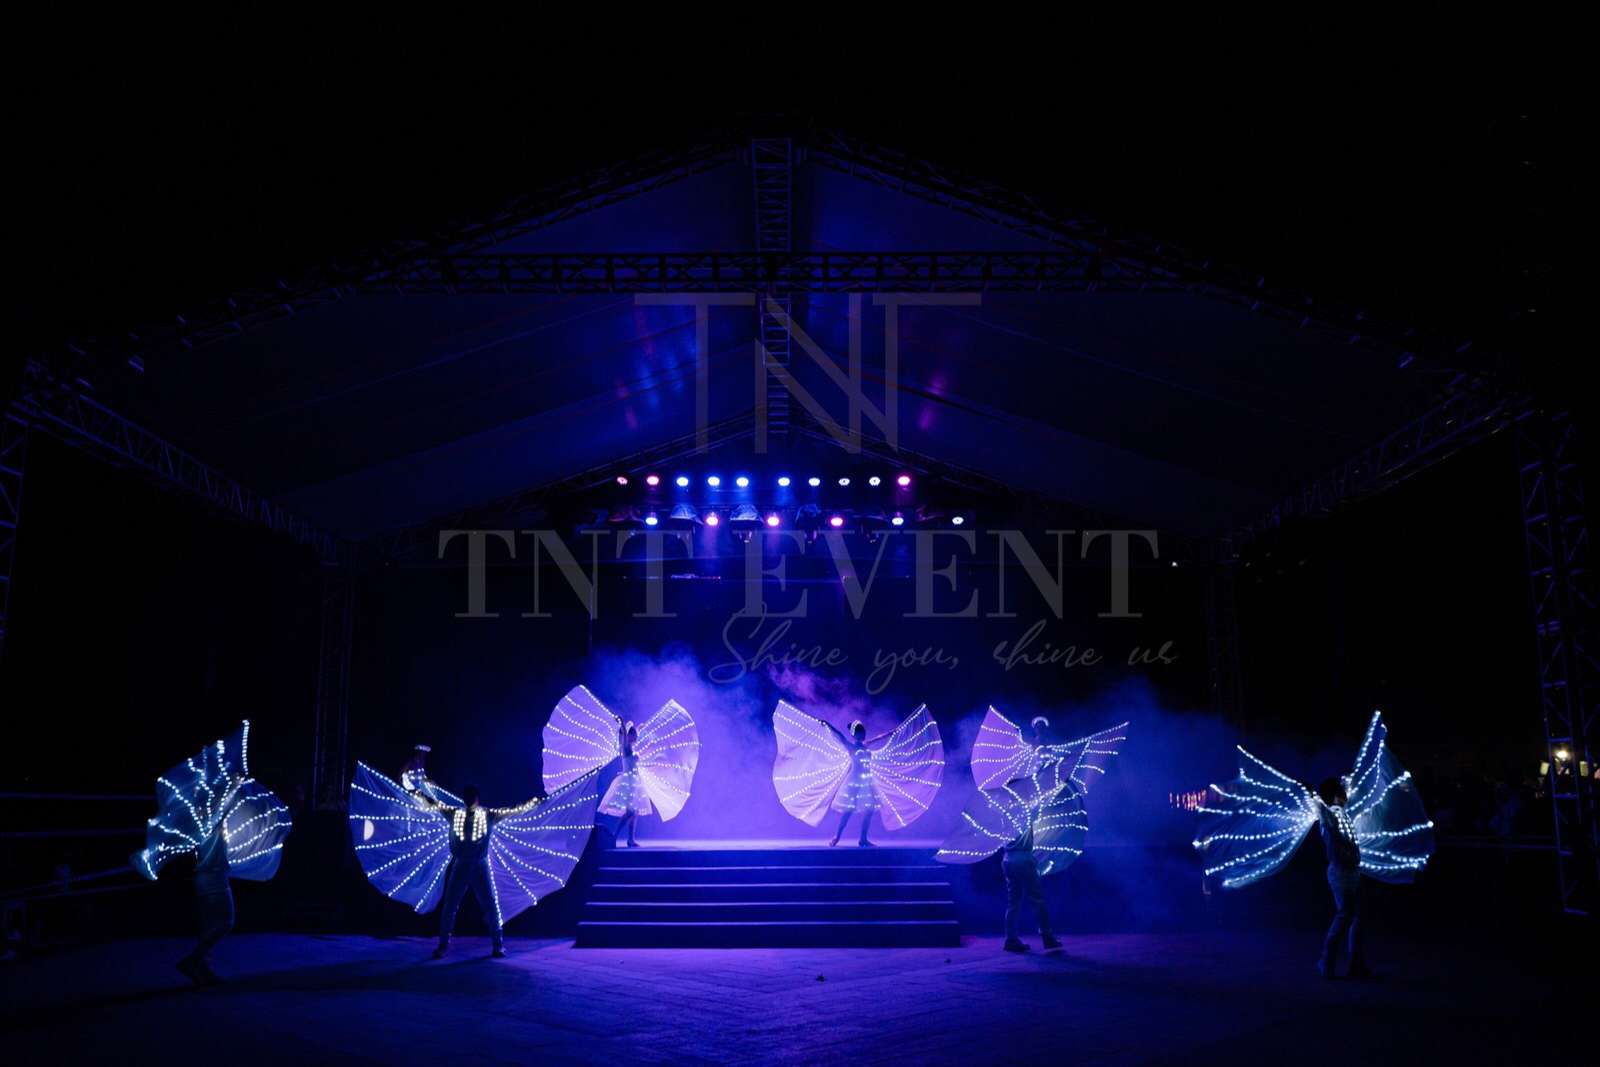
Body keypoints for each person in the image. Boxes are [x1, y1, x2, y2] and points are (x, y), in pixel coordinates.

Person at [420, 784, 542, 959]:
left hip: (479, 864)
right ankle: (443, 945)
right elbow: (435, 805)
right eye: (467, 796)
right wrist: (417, 793)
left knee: (490, 905)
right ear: (464, 798)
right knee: (450, 905)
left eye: (472, 796)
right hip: (461, 864)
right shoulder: (455, 813)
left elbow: (512, 810)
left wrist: (531, 803)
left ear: (477, 798)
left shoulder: (488, 815)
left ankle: (497, 945)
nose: (469, 800)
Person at [1315, 777, 1371, 979]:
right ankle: (1326, 962)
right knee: (1345, 915)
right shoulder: (1330, 815)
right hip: (1341, 872)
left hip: (1351, 870)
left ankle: (1355, 964)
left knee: (1355, 916)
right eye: (1343, 792)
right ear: (1336, 796)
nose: (1347, 795)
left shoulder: (1341, 814)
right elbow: (1325, 817)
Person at [829, 721, 877, 847]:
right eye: (860, 733)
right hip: (854, 781)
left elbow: (879, 738)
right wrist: (828, 724)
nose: (863, 735)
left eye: (863, 732)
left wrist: (892, 733)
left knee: (869, 810)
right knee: (848, 811)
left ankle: (863, 839)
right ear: (855, 735)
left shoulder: (866, 745)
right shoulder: (851, 747)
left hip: (866, 782)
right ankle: (837, 836)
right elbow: (839, 735)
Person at [604, 722, 646, 847]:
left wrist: (639, 728)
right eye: (634, 735)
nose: (636, 737)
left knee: (634, 812)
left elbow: (631, 736)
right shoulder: (626, 747)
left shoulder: (631, 747)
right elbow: (624, 735)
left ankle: (630, 839)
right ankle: (614, 835)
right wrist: (622, 724)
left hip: (634, 782)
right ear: (629, 736)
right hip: (628, 783)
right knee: (630, 812)